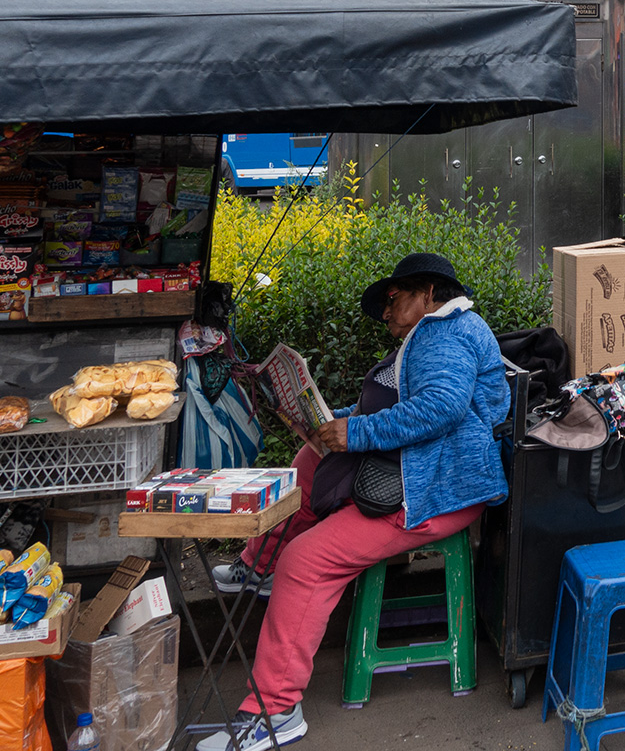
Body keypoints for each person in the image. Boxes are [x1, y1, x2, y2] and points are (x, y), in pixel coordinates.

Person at [202, 253, 509, 751]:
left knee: (306, 561)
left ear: (429, 293)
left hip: (435, 490)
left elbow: (441, 408)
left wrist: (357, 432)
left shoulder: (450, 333)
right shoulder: (427, 334)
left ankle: (275, 712)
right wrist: (330, 422)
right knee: (309, 461)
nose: (385, 313)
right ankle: (259, 567)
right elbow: (389, 405)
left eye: (393, 298)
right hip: (410, 471)